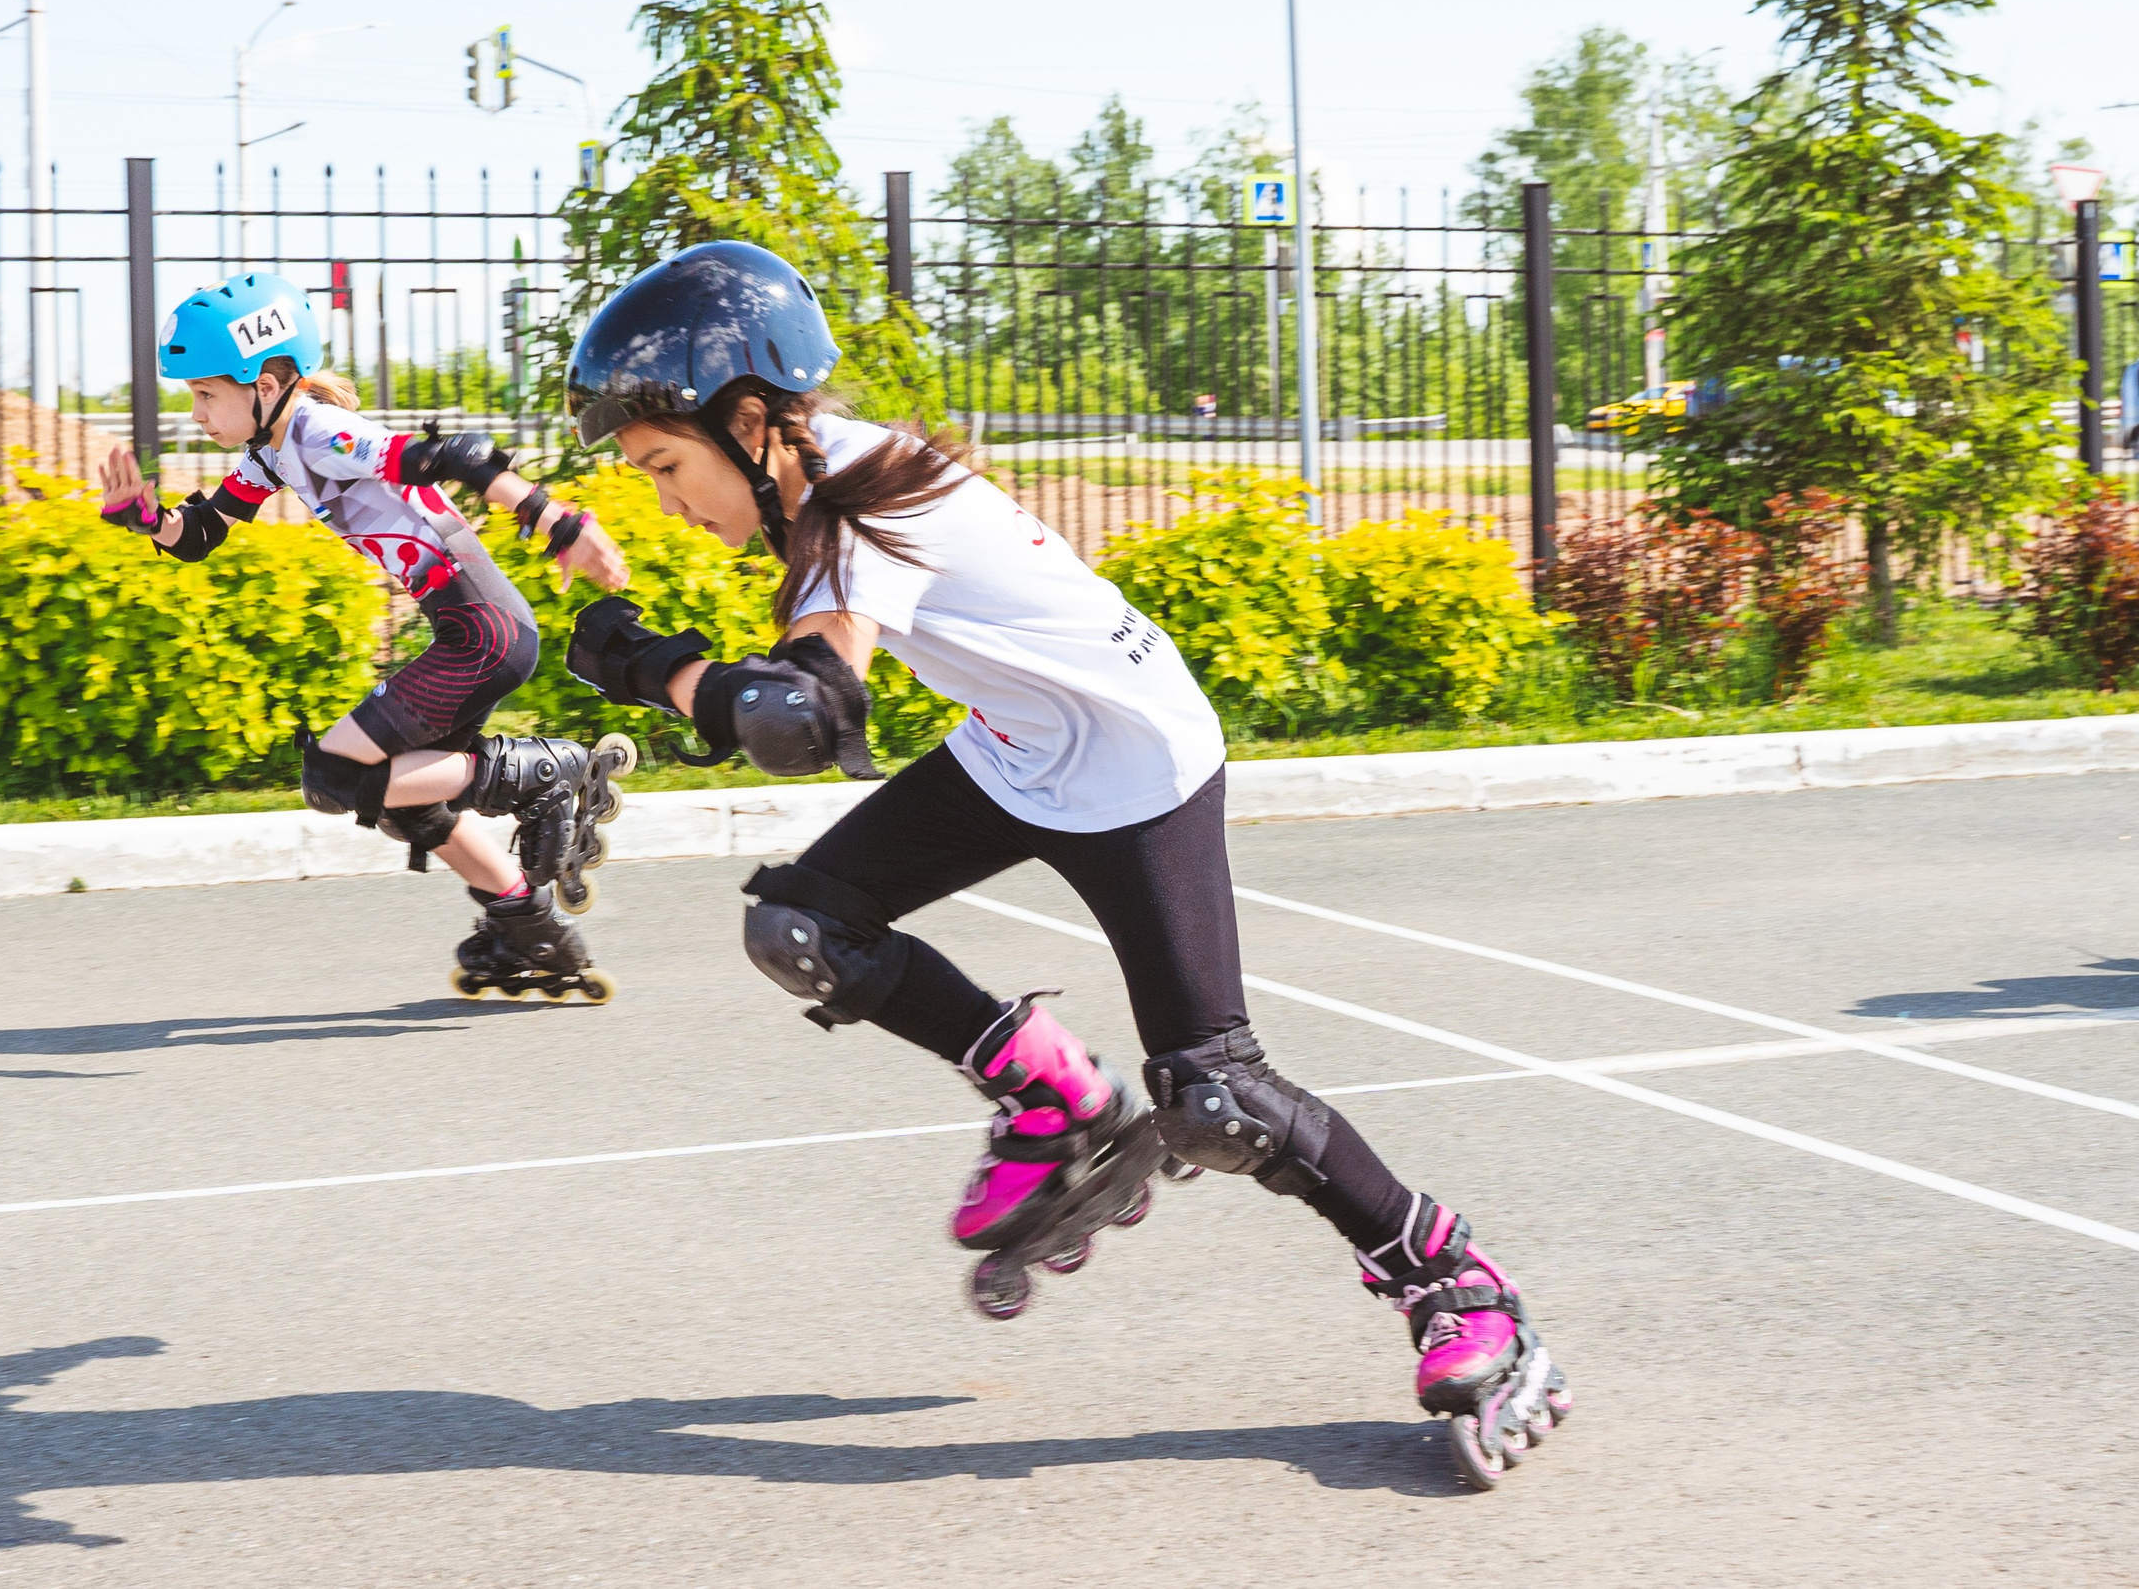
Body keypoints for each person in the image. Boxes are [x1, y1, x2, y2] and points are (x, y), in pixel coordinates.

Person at [556, 241, 1571, 1487]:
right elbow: (801, 700)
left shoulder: (859, 502)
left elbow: (799, 722)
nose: (664, 500)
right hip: (1022, 752)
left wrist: (644, 664)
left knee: (1216, 1100)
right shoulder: (833, 486)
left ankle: (1450, 1275)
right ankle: (1054, 1097)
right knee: (804, 926)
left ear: (754, 422)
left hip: (1139, 764)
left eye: (666, 465)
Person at [97, 271, 634, 1002]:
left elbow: (458, 456)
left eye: (205, 393)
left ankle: (547, 772)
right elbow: (200, 533)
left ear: (267, 382)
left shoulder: (320, 430)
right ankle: (525, 922)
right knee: (408, 802)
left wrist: (556, 521)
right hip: (467, 630)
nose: (195, 412)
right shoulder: (272, 450)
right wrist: (144, 517)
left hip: (483, 629)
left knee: (334, 776)